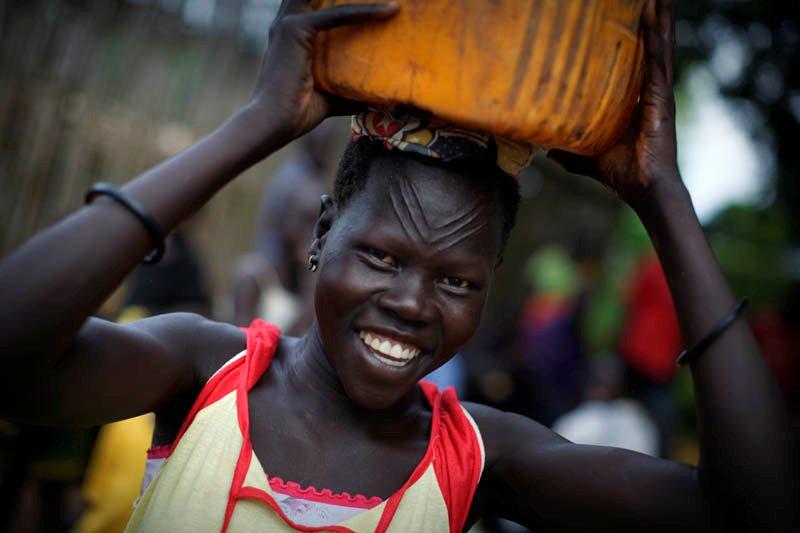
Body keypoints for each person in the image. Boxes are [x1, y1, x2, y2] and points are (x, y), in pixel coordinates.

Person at [0, 1, 797, 531]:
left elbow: (754, 513)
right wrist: (261, 120)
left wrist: (664, 201)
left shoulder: (481, 457)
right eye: (381, 255)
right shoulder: (203, 375)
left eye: (457, 280)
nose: (413, 302)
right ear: (320, 233)